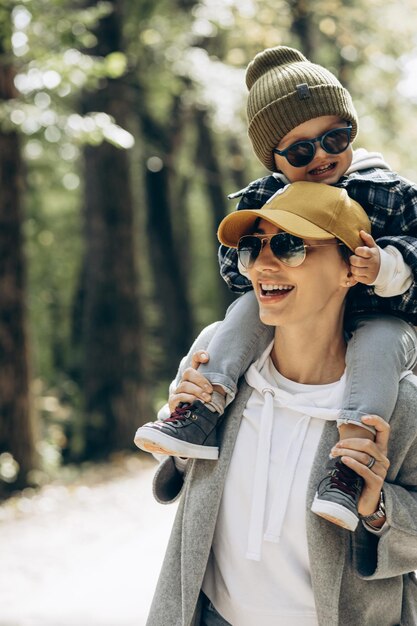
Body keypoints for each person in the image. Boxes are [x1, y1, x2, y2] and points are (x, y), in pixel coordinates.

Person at [134, 46, 417, 531]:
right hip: (284, 318)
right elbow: (235, 262)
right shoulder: (264, 197)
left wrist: (385, 265)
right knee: (243, 309)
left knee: (383, 343)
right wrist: (268, 258)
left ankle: (351, 465)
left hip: (382, 308)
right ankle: (203, 408)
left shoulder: (385, 190)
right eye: (302, 150)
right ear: (275, 160)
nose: (323, 156)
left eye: (336, 137)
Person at [145, 183, 417, 626]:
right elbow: (179, 474)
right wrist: (179, 439)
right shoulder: (219, 361)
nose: (264, 264)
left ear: (351, 270)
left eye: (291, 247)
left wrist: (378, 506)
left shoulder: (398, 404)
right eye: (253, 247)